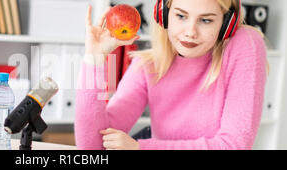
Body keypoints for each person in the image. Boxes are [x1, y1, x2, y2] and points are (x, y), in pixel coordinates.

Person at [75, 0, 267, 150]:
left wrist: (141, 148)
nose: (190, 32)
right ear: (164, 14)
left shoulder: (245, 44)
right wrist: (95, 60)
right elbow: (93, 145)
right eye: (181, 16)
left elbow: (233, 146)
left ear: (227, 23)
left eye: (206, 20)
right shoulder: (147, 65)